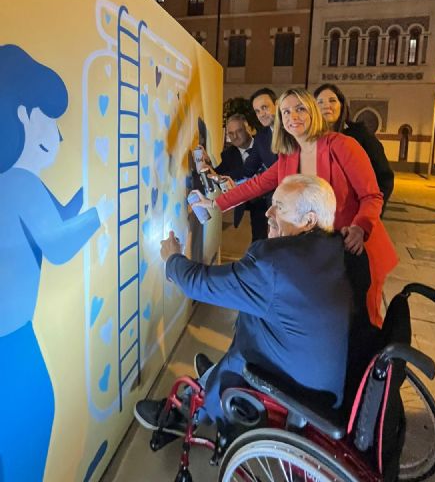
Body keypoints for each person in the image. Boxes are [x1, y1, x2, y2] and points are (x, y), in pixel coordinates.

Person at [134, 174, 352, 429]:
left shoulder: (275, 264)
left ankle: (193, 414)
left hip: (295, 386)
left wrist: (173, 260)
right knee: (253, 315)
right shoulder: (337, 247)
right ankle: (213, 377)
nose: (268, 212)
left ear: (309, 220)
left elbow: (203, 284)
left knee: (243, 351)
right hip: (323, 379)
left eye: (279, 207)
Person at [0, 45, 113, 482]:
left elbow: (57, 217)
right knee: (31, 420)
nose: (58, 134)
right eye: (49, 117)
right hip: (13, 339)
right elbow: (59, 244)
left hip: (10, 333)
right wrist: (100, 212)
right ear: (25, 116)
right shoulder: (21, 182)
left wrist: (82, 204)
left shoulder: (13, 183)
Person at [194, 88, 398, 328]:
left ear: (312, 111)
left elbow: (372, 195)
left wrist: (360, 227)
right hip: (320, 255)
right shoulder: (289, 156)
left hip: (356, 248)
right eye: (286, 112)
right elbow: (257, 185)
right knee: (331, 323)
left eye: (300, 108)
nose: (293, 117)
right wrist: (215, 203)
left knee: (364, 321)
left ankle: (376, 364)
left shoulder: (342, 145)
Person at [314, 84, 394, 210]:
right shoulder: (311, 138)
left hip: (352, 214)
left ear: (341, 105)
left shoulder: (359, 134)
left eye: (332, 100)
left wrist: (371, 211)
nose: (326, 106)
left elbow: (383, 176)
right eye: (320, 102)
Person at [209, 114, 268, 241]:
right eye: (231, 133)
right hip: (247, 202)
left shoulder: (264, 144)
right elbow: (218, 175)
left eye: (239, 131)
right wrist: (207, 164)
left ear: (249, 129)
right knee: (258, 238)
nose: (235, 136)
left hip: (270, 198)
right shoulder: (228, 155)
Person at [243, 87, 278, 176]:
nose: (261, 114)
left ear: (277, 105)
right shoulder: (261, 138)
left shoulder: (294, 131)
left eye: (264, 107)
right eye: (257, 111)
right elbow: (248, 169)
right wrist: (216, 174)